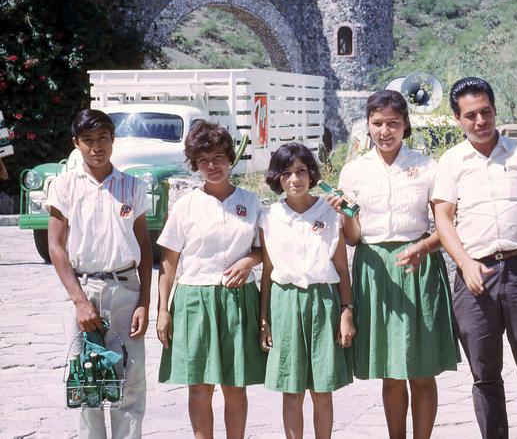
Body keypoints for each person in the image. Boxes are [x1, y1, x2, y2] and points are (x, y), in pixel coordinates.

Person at [432, 77, 517, 439]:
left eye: (486, 112)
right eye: (470, 115)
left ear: (495, 111)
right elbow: (443, 218)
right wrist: (465, 263)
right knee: (485, 376)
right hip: (476, 275)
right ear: (458, 119)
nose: (480, 121)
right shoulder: (451, 161)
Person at [335, 90, 459, 439]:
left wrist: (424, 245)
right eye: (377, 123)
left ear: (406, 125)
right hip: (374, 270)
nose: (385, 131)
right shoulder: (354, 171)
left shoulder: (427, 166)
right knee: (391, 369)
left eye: (393, 123)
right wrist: (345, 215)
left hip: (419, 267)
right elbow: (353, 237)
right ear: (368, 126)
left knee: (421, 370)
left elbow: (446, 223)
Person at [46, 108, 152, 438]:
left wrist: (145, 302)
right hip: (84, 289)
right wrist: (79, 301)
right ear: (76, 143)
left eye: (102, 139)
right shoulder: (64, 186)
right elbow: (56, 247)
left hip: (125, 289)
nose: (96, 147)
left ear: (113, 139)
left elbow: (145, 247)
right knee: (85, 381)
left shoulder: (132, 186)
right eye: (88, 141)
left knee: (130, 382)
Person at [156, 120, 266, 439]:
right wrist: (163, 311)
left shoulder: (251, 203)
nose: (212, 165)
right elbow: (169, 261)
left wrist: (249, 260)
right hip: (193, 300)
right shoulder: (185, 205)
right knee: (200, 388)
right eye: (203, 160)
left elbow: (263, 251)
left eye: (218, 156)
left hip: (238, 300)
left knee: (235, 387)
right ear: (194, 164)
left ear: (230, 158)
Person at [260, 142, 355, 439]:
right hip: (285, 303)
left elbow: (341, 268)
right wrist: (264, 319)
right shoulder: (269, 217)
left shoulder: (328, 212)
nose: (294, 179)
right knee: (292, 390)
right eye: (286, 173)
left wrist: (346, 311)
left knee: (322, 389)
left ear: (312, 174)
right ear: (277, 178)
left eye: (301, 171)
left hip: (323, 302)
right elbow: (266, 271)